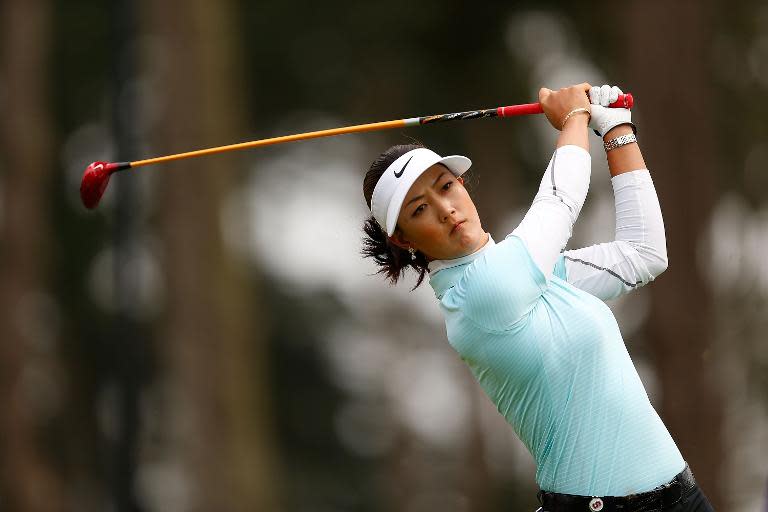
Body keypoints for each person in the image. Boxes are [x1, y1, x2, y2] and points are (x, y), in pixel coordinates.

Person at [360, 83, 716, 512]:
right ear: (402, 239)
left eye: (445, 186)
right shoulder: (479, 296)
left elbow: (642, 255)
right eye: (419, 209)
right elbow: (559, 200)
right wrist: (572, 119)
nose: (446, 209)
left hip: (684, 499)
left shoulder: (535, 275)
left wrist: (616, 128)